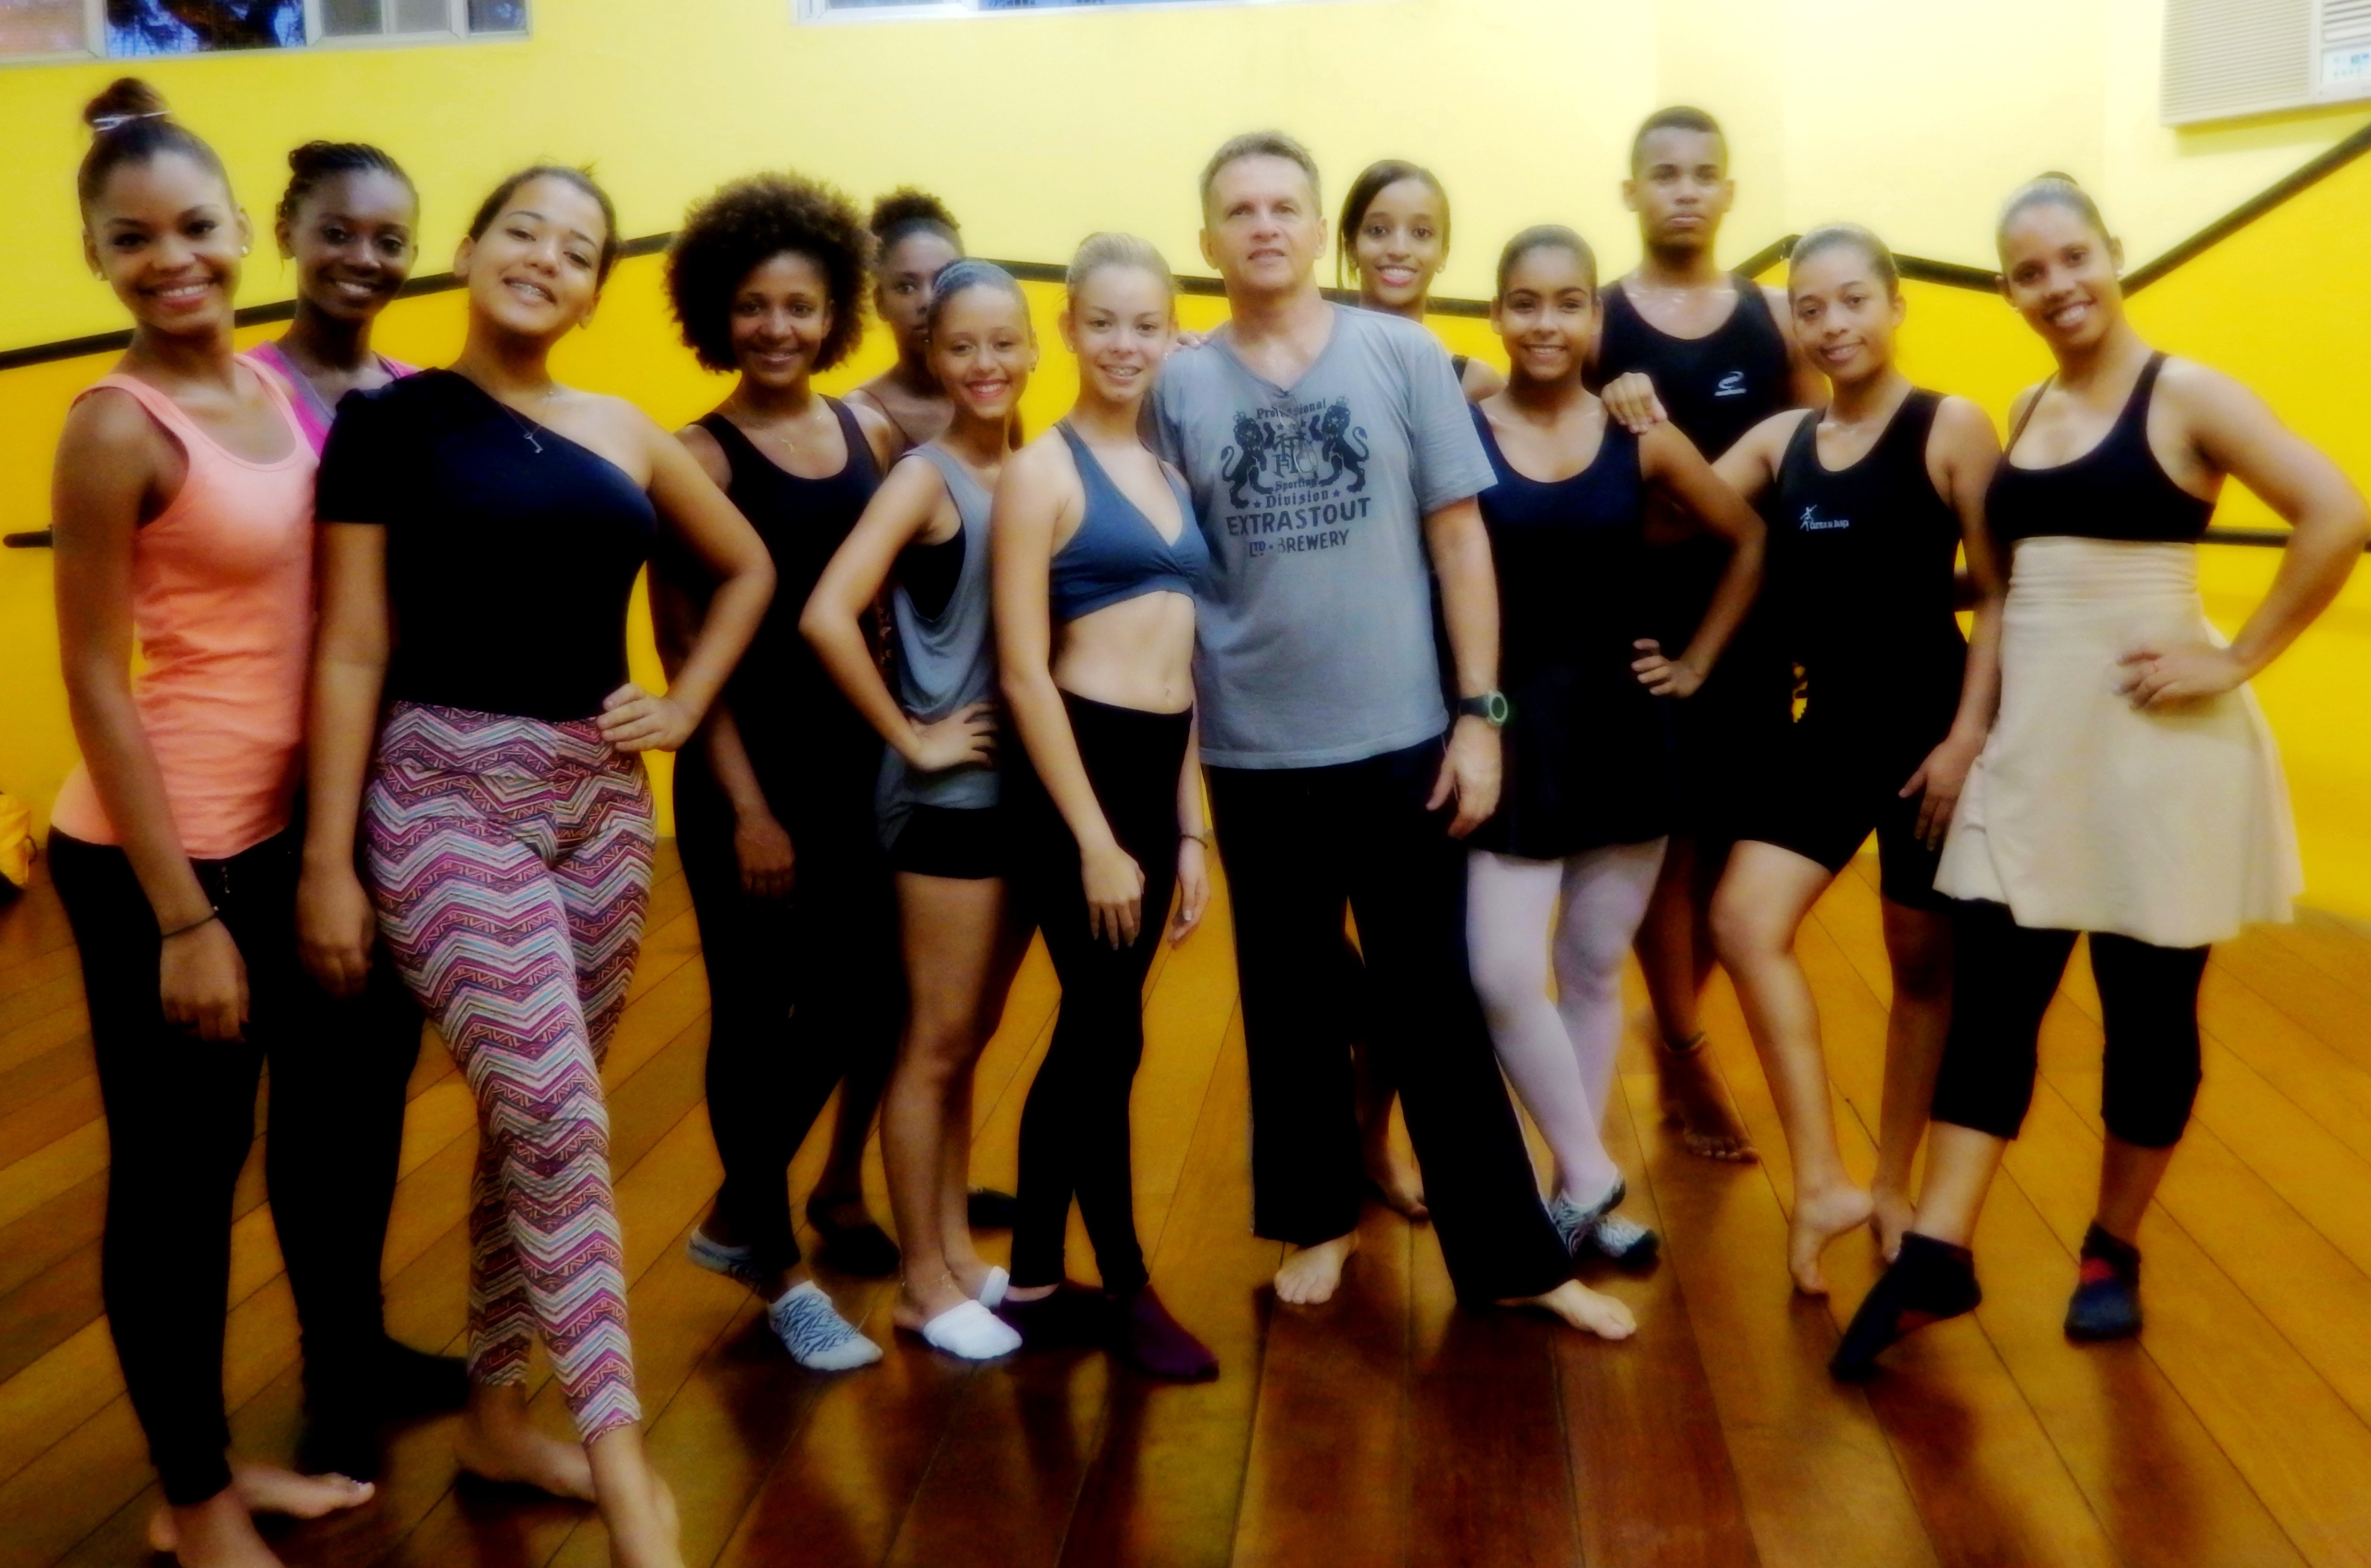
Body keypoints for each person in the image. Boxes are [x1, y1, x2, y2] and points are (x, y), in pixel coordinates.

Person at [302, 165, 775, 1566]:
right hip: (440, 795)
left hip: (601, 810)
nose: (547, 259)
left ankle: (499, 1419)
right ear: (469, 249)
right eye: (524, 230)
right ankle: (626, 1472)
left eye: (577, 251)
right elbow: (351, 645)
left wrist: (682, 706)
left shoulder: (624, 429)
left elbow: (747, 570)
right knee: (563, 1119)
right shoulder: (390, 425)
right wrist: (328, 859)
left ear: (591, 294)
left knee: (532, 1127)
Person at [1832, 177, 2366, 1380]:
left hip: (2157, 757)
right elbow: (2013, 585)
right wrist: (1974, 723)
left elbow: (2334, 513)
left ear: (2112, 254)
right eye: (2029, 273)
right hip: (2038, 749)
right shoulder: (2027, 405)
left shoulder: (2187, 393)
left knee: (2148, 1013)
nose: (2057, 285)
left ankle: (2111, 1246)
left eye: (2073, 258)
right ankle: (1940, 1252)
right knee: (1994, 999)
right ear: (2008, 290)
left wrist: (2236, 656)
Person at [1151, 130, 1629, 1337]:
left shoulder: (1403, 355)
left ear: (1319, 231)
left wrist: (1480, 719)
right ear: (1209, 242)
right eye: (1239, 211)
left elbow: (1461, 543)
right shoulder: (1178, 389)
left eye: (1284, 207)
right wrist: (1181, 790)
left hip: (1404, 739)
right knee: (1291, 1004)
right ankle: (1318, 1219)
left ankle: (1516, 1260)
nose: (1265, 226)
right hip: (1253, 747)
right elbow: (1163, 580)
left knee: (1435, 1006)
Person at [46, 77, 377, 1568]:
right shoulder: (113, 425)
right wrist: (183, 915)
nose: (170, 258)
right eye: (133, 241)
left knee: (266, 1153)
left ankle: (225, 1466)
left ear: (244, 228)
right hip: (160, 858)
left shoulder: (271, 388)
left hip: (277, 836)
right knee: (176, 1191)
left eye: (193, 227)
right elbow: (93, 682)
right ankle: (193, 1504)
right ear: (97, 259)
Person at [1697, 225, 2006, 1296]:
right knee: (1743, 921)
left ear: (1894, 303)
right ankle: (1823, 1180)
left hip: (1930, 734)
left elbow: (1998, 591)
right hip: (1827, 728)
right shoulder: (1780, 439)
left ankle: (1891, 1184)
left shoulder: (1950, 424)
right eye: (1810, 309)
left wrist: (1967, 738)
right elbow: (1673, 496)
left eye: (1852, 301)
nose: (1832, 325)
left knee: (1920, 963)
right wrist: (1626, 415)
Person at [234, 136, 473, 1492]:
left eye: (390, 239)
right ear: (289, 230)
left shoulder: (421, 401)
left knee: (372, 1081)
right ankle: (329, 1364)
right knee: (311, 1092)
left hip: (399, 782)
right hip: (269, 794)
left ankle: (362, 1337)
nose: (363, 258)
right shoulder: (241, 392)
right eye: (339, 231)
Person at [1464, 226, 1766, 1292]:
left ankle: (1573, 1197)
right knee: (1500, 971)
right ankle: (1592, 1171)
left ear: (1595, 318)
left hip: (1624, 732)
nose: (1545, 323)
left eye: (1567, 303)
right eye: (1524, 302)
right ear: (1496, 315)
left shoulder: (1640, 433)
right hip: (1510, 731)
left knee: (1592, 969)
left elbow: (1749, 538)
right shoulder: (1462, 432)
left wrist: (1694, 663)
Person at [652, 172, 904, 1369]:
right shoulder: (693, 458)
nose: (776, 327)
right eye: (753, 306)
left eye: (799, 306)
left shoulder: (870, 434)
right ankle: (775, 1263)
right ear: (717, 311)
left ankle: (738, 1211)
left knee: (869, 995)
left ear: (834, 311)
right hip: (744, 780)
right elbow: (684, 651)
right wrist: (749, 808)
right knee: (754, 1014)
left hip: (857, 770)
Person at [991, 233, 1219, 1379]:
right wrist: (1092, 839)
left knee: (1096, 1033)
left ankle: (1034, 1280)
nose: (1124, 345)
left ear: (1171, 334)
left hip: (1152, 771)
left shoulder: (1169, 473)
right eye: (1103, 323)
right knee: (1106, 1032)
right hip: (1074, 775)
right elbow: (1023, 671)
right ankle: (1123, 1284)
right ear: (1069, 329)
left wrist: (1188, 827)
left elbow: (1183, 671)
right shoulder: (1041, 472)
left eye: (1146, 325)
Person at [802, 259, 1037, 1361]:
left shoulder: (1030, 470)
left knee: (967, 1039)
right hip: (944, 801)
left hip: (1015, 796)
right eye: (962, 345)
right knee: (933, 1043)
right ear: (933, 356)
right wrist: (915, 735)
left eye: (1004, 342)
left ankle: (951, 1252)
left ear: (1033, 348)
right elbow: (826, 613)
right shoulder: (925, 476)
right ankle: (917, 1285)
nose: (985, 363)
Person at [1594, 105, 1824, 1164]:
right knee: (1670, 849)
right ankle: (1686, 1051)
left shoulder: (1774, 319)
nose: (1684, 189)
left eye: (1703, 173)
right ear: (1630, 191)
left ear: (1728, 191)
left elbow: (1815, 463)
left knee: (1746, 853)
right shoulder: (1596, 320)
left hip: (1754, 611)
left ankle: (1672, 1018)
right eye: (1664, 173)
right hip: (1642, 623)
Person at [1337, 159, 1503, 399]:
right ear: (1351, 247)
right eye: (1378, 230)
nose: (1399, 249)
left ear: (1443, 253)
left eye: (1421, 233)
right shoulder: (1307, 367)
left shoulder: (1476, 386)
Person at [844, 188, 965, 455]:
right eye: (906, 287)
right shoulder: (863, 415)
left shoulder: (986, 395)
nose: (928, 301)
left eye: (942, 280)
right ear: (880, 303)